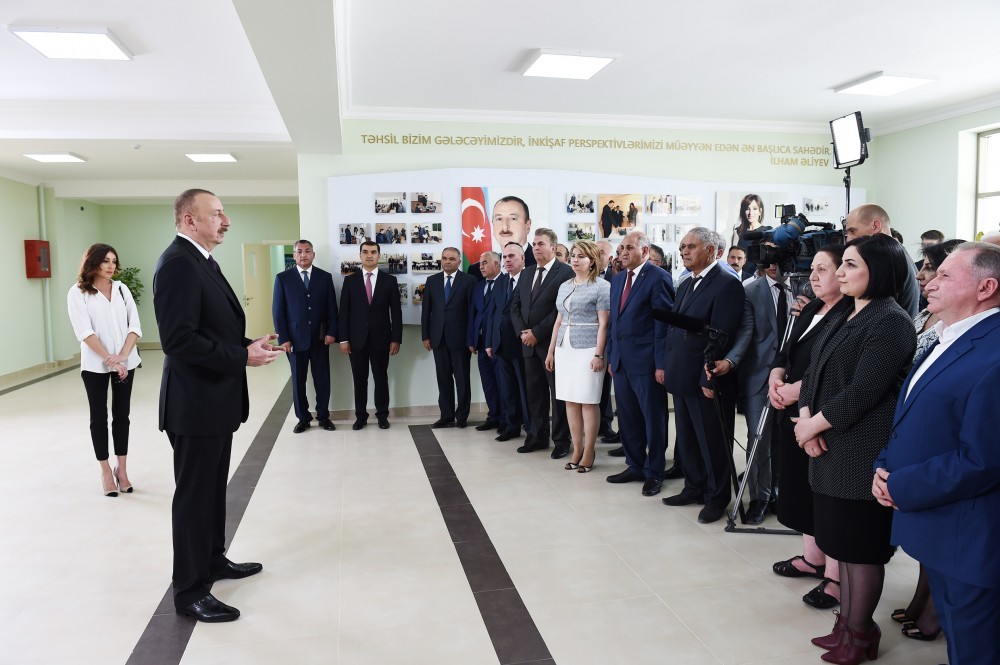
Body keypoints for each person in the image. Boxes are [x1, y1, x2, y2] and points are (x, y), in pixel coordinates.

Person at [153, 188, 284, 623]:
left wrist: (247, 344)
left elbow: (209, 328)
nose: (225, 221)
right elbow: (178, 340)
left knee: (211, 491)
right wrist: (240, 357)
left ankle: (212, 560)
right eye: (216, 214)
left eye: (224, 213)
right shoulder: (178, 263)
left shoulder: (201, 260)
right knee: (194, 497)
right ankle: (190, 591)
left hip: (213, 402)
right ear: (189, 219)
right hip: (194, 405)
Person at [873, 242, 1000, 665]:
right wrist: (884, 465)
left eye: (945, 274)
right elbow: (913, 417)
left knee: (975, 649)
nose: (929, 281)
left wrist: (902, 485)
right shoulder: (947, 335)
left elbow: (985, 459)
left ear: (985, 287)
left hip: (970, 537)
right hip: (939, 529)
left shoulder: (994, 353)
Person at [793, 234, 916, 663]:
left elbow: (865, 390)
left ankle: (861, 634)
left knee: (861, 549)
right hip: (829, 444)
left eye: (850, 265)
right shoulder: (845, 311)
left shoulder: (891, 320)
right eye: (841, 264)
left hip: (861, 449)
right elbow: (812, 372)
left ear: (877, 271)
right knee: (841, 544)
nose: (840, 273)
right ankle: (845, 625)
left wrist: (811, 426)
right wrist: (807, 420)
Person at [884, 237, 964, 640]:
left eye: (934, 269)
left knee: (941, 534)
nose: (923, 277)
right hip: (913, 422)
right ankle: (922, 599)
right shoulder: (926, 314)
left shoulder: (962, 325)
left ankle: (934, 609)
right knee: (923, 536)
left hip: (941, 435)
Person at [768, 247, 850, 609]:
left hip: (823, 413)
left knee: (825, 495)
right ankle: (812, 558)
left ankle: (834, 574)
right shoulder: (813, 308)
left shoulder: (850, 314)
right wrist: (776, 377)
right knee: (800, 486)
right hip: (792, 408)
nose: (813, 276)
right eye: (812, 269)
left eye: (823, 269)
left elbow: (834, 371)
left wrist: (794, 391)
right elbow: (786, 352)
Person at [661, 228, 745, 523]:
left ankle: (717, 497)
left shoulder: (727, 284)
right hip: (681, 373)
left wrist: (707, 377)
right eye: (682, 246)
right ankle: (694, 487)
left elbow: (721, 335)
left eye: (691, 246)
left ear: (711, 251)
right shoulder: (686, 282)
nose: (684, 251)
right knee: (687, 437)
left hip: (706, 377)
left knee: (712, 441)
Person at [714, 260, 793, 523]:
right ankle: (760, 496)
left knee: (785, 438)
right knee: (758, 438)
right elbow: (746, 332)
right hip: (758, 376)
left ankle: (779, 491)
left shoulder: (806, 287)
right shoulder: (750, 290)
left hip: (796, 378)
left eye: (778, 258)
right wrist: (730, 361)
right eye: (766, 257)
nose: (772, 264)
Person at [67, 243, 142, 497]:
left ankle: (122, 469)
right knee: (98, 417)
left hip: (126, 362)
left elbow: (135, 327)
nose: (111, 266)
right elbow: (84, 332)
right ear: (93, 262)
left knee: (122, 415)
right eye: (105, 261)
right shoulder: (77, 293)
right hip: (94, 366)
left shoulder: (122, 289)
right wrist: (112, 360)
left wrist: (123, 357)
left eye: (114, 261)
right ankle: (105, 471)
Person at [604, 232, 674, 494]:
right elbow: (614, 322)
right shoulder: (617, 279)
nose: (623, 252)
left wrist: (661, 364)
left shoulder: (658, 277)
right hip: (621, 361)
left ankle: (654, 471)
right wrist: (612, 356)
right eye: (621, 247)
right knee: (628, 416)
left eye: (629, 247)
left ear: (645, 251)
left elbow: (663, 324)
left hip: (647, 362)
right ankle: (634, 465)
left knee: (653, 418)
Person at [544, 240, 611, 472]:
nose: (574, 259)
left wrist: (599, 354)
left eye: (581, 256)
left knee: (588, 400)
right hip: (565, 347)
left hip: (589, 348)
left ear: (592, 260)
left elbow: (604, 324)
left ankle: (589, 451)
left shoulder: (602, 286)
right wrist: (551, 350)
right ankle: (577, 449)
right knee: (570, 400)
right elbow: (559, 320)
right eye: (573, 255)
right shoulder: (564, 285)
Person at [510, 228, 574, 458]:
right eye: (534, 244)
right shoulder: (527, 273)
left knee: (558, 395)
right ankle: (537, 437)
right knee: (535, 394)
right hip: (528, 344)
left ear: (553, 248)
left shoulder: (566, 272)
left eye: (541, 244)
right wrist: (523, 334)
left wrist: (537, 333)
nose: (536, 248)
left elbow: (562, 309)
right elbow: (515, 306)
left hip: (552, 345)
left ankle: (561, 441)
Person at [272, 239, 338, 434]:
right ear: (294, 255)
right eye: (299, 251)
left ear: (313, 255)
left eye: (307, 251)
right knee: (298, 381)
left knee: (322, 380)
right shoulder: (283, 278)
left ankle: (323, 416)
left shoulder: (324, 278)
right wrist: (284, 339)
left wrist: (332, 332)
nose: (303, 255)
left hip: (320, 338)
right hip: (294, 340)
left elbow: (332, 309)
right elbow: (278, 313)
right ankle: (303, 418)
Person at [338, 241, 403, 430]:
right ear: (360, 255)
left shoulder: (389, 281)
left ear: (379, 256)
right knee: (359, 380)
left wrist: (396, 339)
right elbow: (344, 313)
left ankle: (382, 415)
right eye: (365, 252)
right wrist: (344, 339)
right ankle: (361, 416)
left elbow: (396, 313)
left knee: (381, 378)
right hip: (355, 340)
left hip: (382, 339)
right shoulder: (350, 281)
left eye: (373, 252)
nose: (369, 255)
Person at [421, 247, 475, 428]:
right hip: (438, 338)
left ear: (459, 261)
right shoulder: (432, 281)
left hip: (461, 339)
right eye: (444, 258)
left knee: (462, 379)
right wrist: (426, 336)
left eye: (452, 259)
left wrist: (471, 339)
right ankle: (446, 415)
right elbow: (426, 311)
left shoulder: (469, 281)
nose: (447, 261)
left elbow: (472, 312)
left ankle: (462, 416)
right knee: (443, 378)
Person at [843, 203, 920, 317]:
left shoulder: (888, 259)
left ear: (876, 226)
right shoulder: (897, 253)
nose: (848, 239)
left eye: (853, 231)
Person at [486, 243, 529, 443]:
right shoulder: (501, 281)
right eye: (505, 257)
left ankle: (531, 427)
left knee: (525, 389)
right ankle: (512, 426)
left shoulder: (529, 279)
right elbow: (492, 313)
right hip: (501, 344)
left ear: (523, 258)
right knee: (508, 389)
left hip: (522, 344)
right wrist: (489, 341)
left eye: (512, 256)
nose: (508, 260)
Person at [468, 251, 505, 432]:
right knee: (488, 382)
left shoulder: (506, 283)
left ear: (496, 264)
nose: (481, 267)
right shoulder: (479, 286)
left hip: (498, 342)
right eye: (480, 263)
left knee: (502, 382)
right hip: (481, 342)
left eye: (484, 263)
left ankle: (505, 418)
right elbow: (473, 314)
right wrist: (471, 339)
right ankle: (493, 416)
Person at [596, 240, 619, 445]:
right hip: (589, 338)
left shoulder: (617, 278)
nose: (596, 255)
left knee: (606, 384)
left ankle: (606, 423)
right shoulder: (583, 277)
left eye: (601, 252)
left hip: (611, 337)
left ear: (610, 258)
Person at [492, 196, 536, 267]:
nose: (505, 226)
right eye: (499, 219)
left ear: (527, 226)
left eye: (513, 219)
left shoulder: (544, 264)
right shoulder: (476, 270)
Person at [731, 194, 764, 275]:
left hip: (759, 276)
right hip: (740, 275)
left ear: (760, 211)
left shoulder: (766, 232)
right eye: (747, 209)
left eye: (754, 209)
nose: (750, 213)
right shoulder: (738, 232)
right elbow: (733, 257)